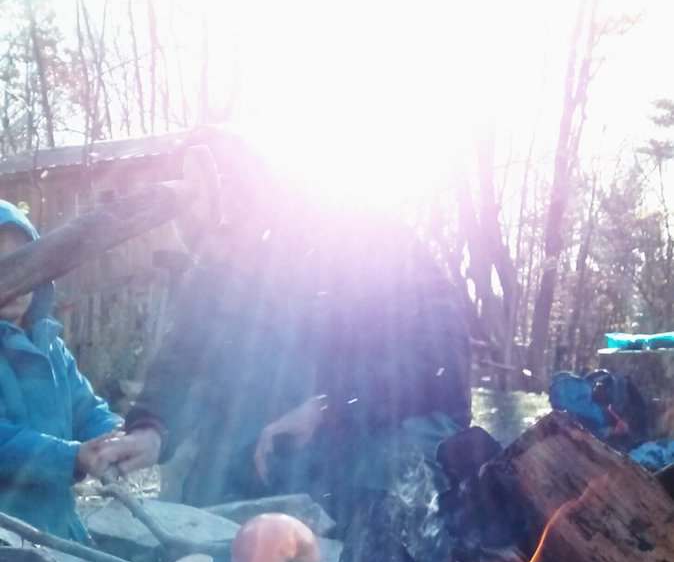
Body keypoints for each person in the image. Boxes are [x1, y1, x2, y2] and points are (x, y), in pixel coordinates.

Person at [100, 127, 471, 531]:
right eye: (207, 237)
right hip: (299, 440)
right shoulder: (220, 266)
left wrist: (329, 406)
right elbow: (188, 357)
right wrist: (152, 428)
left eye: (225, 227)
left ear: (254, 196)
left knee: (384, 493)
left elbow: (438, 364)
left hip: (401, 427)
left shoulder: (359, 233)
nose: (219, 249)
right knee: (212, 488)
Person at [0, 201, 122, 539]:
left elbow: (85, 408)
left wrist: (114, 437)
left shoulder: (50, 346)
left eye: (25, 264)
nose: (15, 279)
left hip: (57, 529)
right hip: (7, 540)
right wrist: (74, 457)